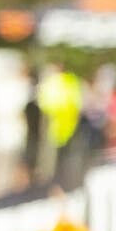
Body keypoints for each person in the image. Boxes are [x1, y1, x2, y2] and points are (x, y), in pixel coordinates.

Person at [38, 59, 86, 187]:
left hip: (65, 125)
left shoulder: (66, 81)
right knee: (54, 156)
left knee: (62, 156)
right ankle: (53, 181)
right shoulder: (55, 81)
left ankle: (59, 181)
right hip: (58, 125)